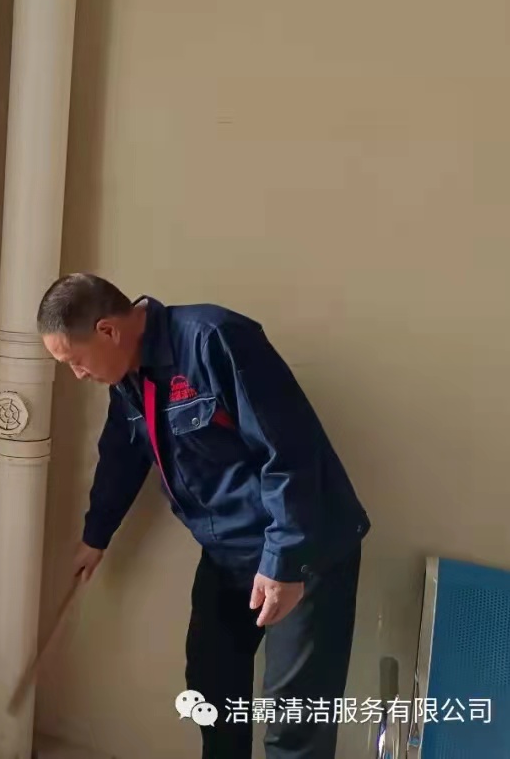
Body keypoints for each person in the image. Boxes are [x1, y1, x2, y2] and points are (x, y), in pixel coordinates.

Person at [36, 273, 370, 759]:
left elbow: (290, 453)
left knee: (294, 721)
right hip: (228, 553)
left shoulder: (214, 340)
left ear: (108, 331)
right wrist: (96, 535)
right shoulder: (127, 378)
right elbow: (122, 457)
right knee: (211, 694)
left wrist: (284, 562)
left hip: (303, 549)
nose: (78, 374)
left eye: (75, 360)